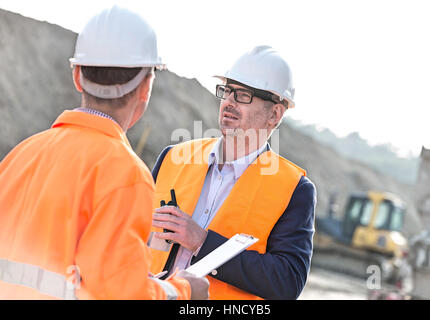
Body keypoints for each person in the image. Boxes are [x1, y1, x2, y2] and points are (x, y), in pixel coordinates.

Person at [0, 6, 208, 300]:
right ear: (146, 87)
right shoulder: (125, 174)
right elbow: (121, 294)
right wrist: (184, 291)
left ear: (76, 76)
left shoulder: (21, 155)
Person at [148, 45, 316, 299]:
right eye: (227, 91)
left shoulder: (294, 190)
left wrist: (202, 242)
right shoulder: (172, 157)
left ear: (275, 113)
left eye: (243, 95)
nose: (228, 102)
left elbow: (287, 281)